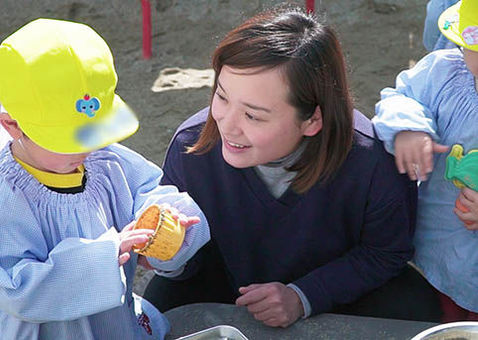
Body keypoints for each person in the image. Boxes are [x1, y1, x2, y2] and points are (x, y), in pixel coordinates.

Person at [143, 6, 441, 328]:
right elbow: (188, 263)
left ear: (312, 119)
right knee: (157, 306)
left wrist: (304, 296)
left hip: (337, 290)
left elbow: (386, 253)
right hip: (226, 285)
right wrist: (170, 255)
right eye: (222, 96)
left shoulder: (373, 161)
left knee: (414, 305)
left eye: (253, 115)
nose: (227, 125)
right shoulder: (192, 148)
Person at [0, 18, 210, 339]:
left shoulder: (103, 158)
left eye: (94, 132)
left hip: (108, 320)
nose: (88, 148)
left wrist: (164, 218)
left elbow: (147, 189)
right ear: (13, 125)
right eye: (70, 139)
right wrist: (105, 257)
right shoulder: (1, 197)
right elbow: (11, 285)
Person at [373, 0, 478, 322]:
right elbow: (402, 96)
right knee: (444, 314)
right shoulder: (443, 71)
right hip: (440, 243)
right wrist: (408, 128)